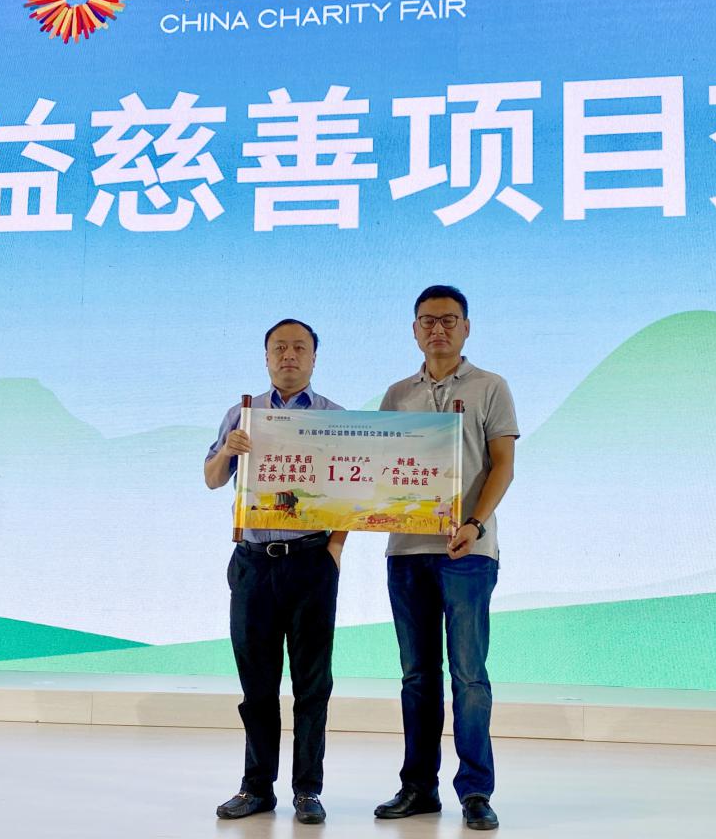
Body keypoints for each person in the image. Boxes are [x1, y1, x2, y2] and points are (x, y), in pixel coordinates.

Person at [373, 285, 518, 831]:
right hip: (407, 552)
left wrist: (474, 524)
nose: (438, 328)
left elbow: (503, 464)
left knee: (468, 676)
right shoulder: (396, 395)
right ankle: (418, 788)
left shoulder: (490, 386)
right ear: (414, 330)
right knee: (417, 677)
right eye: (428, 320)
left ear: (466, 327)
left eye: (449, 319)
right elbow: (379, 470)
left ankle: (476, 791)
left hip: (468, 553)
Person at [204, 318, 347, 825]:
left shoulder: (336, 419)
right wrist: (229, 449)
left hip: (310, 562)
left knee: (312, 684)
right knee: (258, 685)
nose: (289, 356)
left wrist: (334, 549)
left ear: (314, 357)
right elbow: (211, 479)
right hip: (252, 565)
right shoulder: (243, 415)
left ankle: (307, 790)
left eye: (299, 348)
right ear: (266, 357)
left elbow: (353, 493)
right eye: (279, 348)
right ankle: (256, 787)